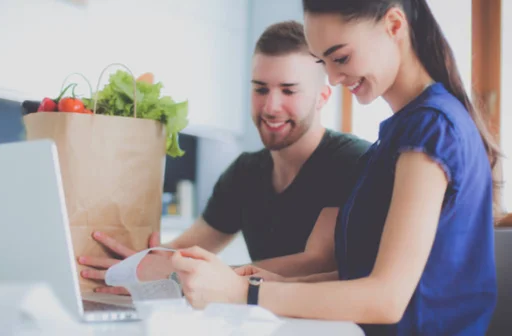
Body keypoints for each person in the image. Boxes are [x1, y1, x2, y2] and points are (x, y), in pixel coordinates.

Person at [170, 1, 500, 335]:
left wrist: (245, 292)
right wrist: (272, 280)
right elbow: (361, 275)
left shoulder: (430, 128)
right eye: (323, 62)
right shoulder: (399, 134)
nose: (332, 77)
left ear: (394, 25)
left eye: (340, 57)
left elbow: (387, 299)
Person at [78, 20, 371, 292]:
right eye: (260, 89)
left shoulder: (349, 160)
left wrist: (183, 274)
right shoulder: (245, 172)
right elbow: (182, 248)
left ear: (322, 97)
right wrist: (131, 263)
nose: (270, 106)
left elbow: (317, 260)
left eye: (288, 91)